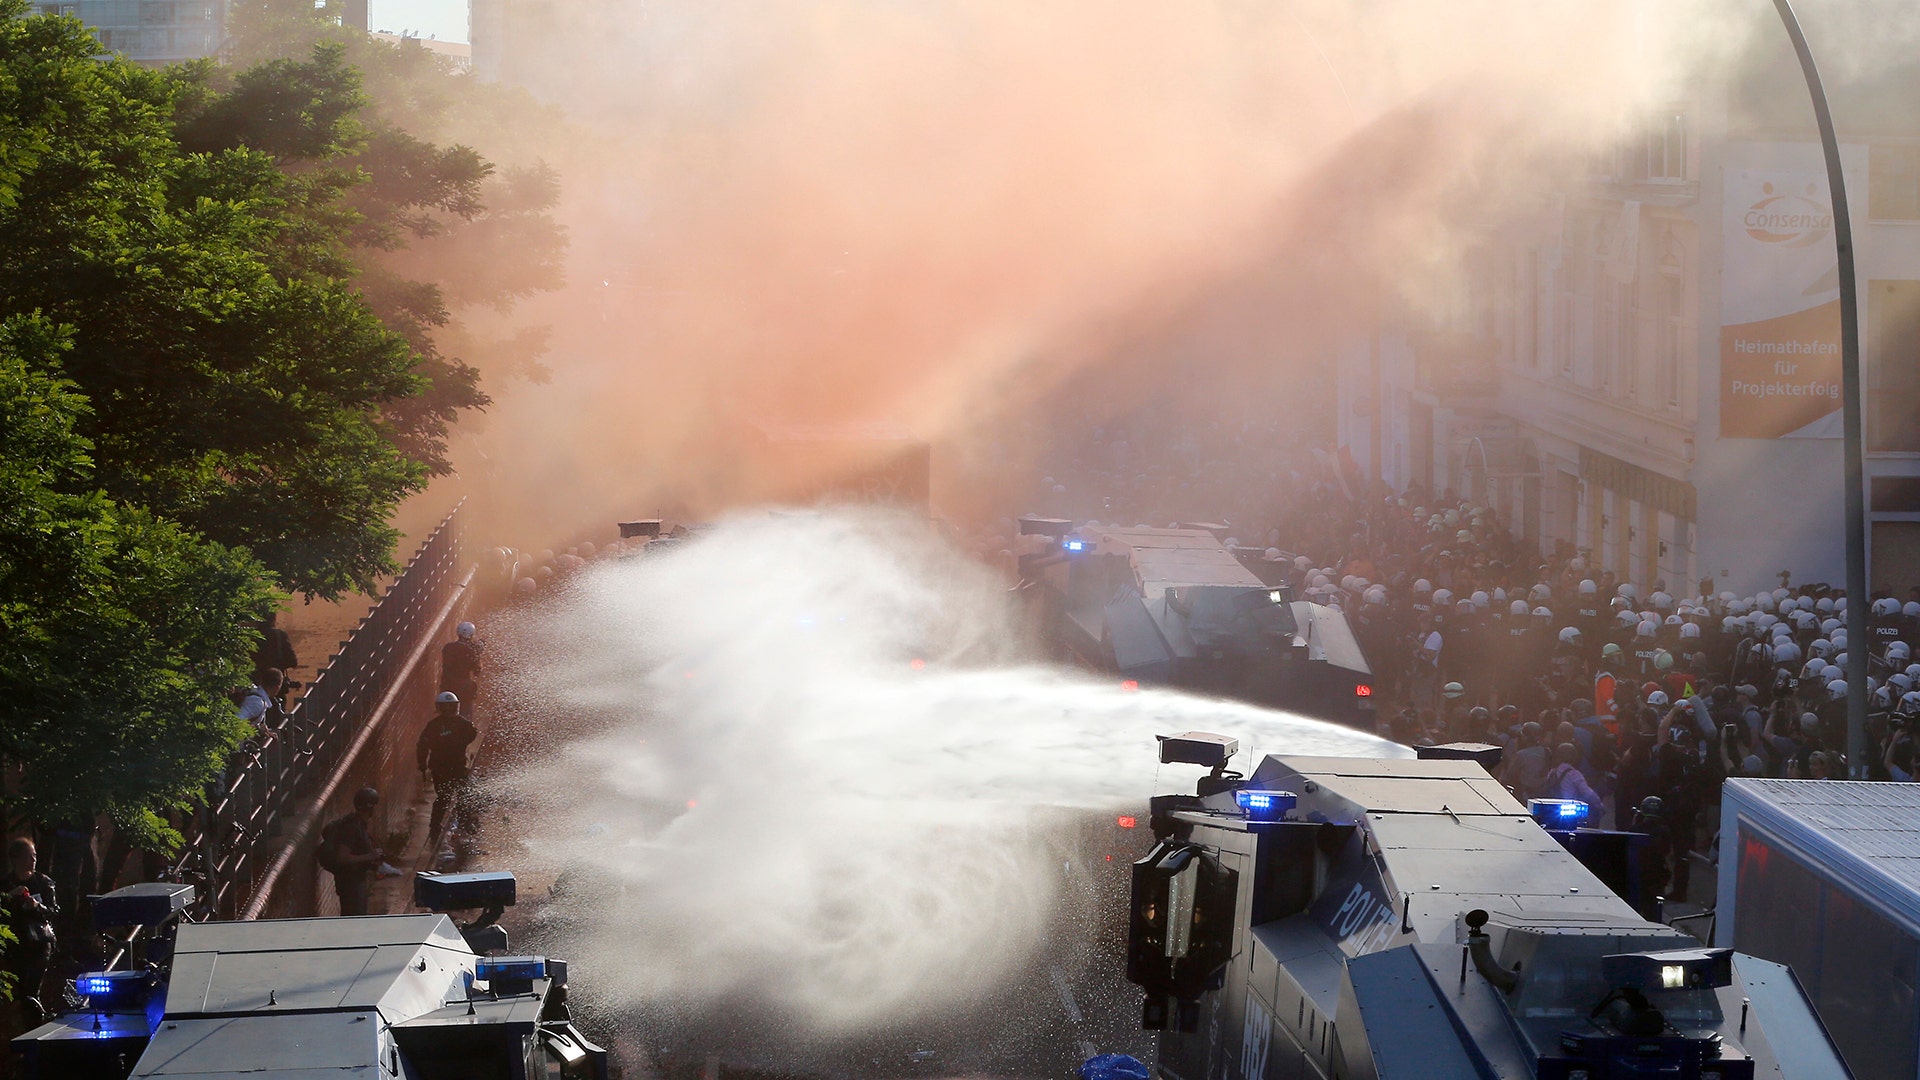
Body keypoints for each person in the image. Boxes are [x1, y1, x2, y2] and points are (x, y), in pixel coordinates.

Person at [4, 838, 59, 1025]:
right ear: (16, 859)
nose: (33, 860)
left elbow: (53, 912)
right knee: (21, 992)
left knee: (32, 989)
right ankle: (31, 1028)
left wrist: (37, 906)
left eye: (34, 856)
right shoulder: (6, 883)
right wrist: (10, 897)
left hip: (40, 943)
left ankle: (37, 1026)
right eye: (28, 856)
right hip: (15, 945)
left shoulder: (43, 882)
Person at [417, 691, 479, 840]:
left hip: (446, 767)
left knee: (452, 796)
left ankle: (440, 828)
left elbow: (422, 746)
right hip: (449, 767)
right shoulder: (459, 724)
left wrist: (423, 764)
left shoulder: (435, 725)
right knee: (453, 795)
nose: (449, 710)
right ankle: (456, 825)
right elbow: (473, 733)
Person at [320, 788, 387, 916]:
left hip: (356, 881)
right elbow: (342, 857)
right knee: (353, 920)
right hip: (350, 884)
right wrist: (370, 856)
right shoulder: (351, 827)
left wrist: (374, 863)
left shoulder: (358, 823)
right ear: (370, 807)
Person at [440, 622, 484, 715]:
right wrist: (478, 654)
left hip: (447, 686)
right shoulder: (471, 651)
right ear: (472, 635)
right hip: (464, 689)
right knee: (465, 715)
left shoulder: (448, 648)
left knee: (447, 714)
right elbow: (477, 671)